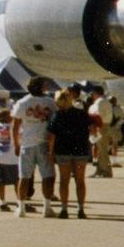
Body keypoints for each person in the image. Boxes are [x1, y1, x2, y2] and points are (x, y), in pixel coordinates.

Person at [12, 77, 56, 215]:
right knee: (48, 176)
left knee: (24, 176)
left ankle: (21, 208)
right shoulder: (50, 102)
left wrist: (16, 144)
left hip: (27, 143)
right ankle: (47, 207)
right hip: (44, 143)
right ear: (41, 87)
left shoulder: (22, 102)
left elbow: (15, 125)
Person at [47, 88, 92, 218]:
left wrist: (50, 152)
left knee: (64, 180)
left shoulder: (57, 115)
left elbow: (51, 136)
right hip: (80, 150)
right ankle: (81, 209)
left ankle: (64, 209)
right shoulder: (82, 113)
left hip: (63, 150)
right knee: (80, 180)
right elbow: (91, 128)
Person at [89, 90, 117, 178]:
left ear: (95, 93)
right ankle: (100, 170)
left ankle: (107, 171)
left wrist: (95, 127)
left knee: (102, 150)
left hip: (100, 126)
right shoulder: (104, 102)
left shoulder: (100, 102)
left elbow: (97, 115)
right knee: (101, 150)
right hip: (103, 125)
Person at [0, 106, 18, 212]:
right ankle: (19, 201)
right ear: (6, 117)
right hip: (12, 158)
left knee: (1, 182)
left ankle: (2, 202)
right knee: (17, 181)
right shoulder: (14, 126)